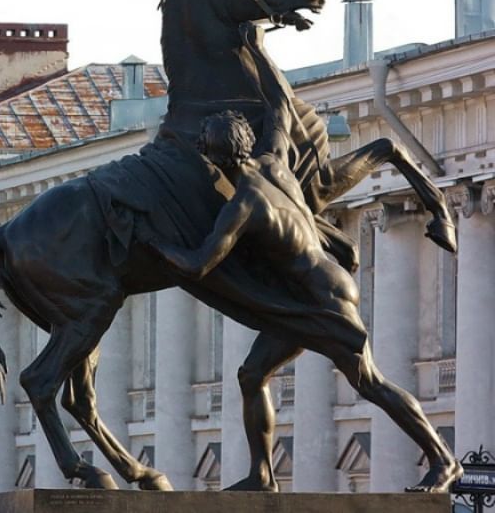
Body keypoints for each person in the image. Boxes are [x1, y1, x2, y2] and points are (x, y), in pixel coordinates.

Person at [140, 109, 462, 492]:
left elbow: (197, 265)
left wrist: (152, 240)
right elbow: (277, 113)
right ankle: (263, 474)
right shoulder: (274, 161)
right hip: (317, 289)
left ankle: (443, 459)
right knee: (252, 374)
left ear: (212, 158)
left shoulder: (242, 205)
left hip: (321, 298)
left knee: (369, 382)